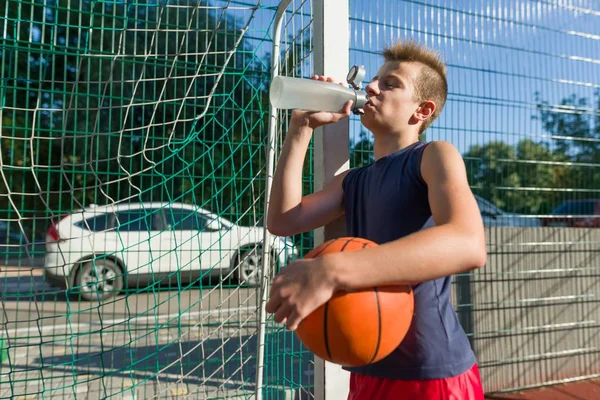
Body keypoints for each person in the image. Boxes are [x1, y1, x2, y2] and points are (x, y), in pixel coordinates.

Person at [265, 39, 486, 399]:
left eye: (390, 83)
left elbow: (468, 243)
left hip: (431, 373)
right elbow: (283, 220)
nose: (371, 87)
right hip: (368, 363)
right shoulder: (353, 180)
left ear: (422, 110)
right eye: (375, 80)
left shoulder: (433, 156)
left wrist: (330, 271)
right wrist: (301, 129)